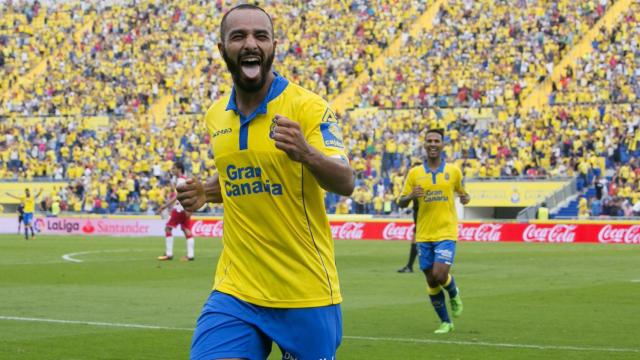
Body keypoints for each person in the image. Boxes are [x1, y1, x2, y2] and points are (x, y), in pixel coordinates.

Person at [176, 5, 355, 360]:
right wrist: (207, 192)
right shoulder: (216, 116)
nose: (250, 43)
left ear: (274, 45)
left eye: (260, 35)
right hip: (236, 290)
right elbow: (246, 172)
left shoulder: (308, 107)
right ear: (221, 48)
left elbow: (346, 182)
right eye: (238, 36)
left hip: (305, 291)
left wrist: (306, 153)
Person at [397, 128, 470, 334]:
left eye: (436, 140)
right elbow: (401, 203)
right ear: (424, 144)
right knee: (430, 279)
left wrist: (465, 198)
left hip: (446, 232)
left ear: (443, 144)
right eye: (429, 140)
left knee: (439, 274)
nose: (432, 144)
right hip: (423, 234)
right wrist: (411, 195)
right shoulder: (415, 173)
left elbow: (463, 193)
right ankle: (446, 322)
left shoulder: (454, 171)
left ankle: (454, 293)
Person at [157, 162, 195, 261]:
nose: (172, 170)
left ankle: (169, 254)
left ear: (179, 169)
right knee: (186, 230)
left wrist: (164, 206)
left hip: (179, 208)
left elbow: (177, 197)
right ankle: (190, 255)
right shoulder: (184, 179)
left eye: (174, 168)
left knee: (168, 229)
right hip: (185, 208)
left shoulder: (180, 181)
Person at [398, 157, 423, 273]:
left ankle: (410, 266)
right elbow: (402, 202)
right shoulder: (412, 183)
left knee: (419, 240)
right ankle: (410, 266)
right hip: (418, 215)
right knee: (416, 240)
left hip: (424, 216)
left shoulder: (424, 181)